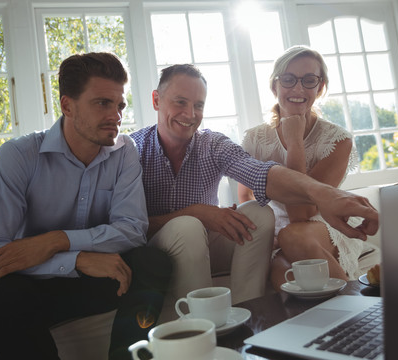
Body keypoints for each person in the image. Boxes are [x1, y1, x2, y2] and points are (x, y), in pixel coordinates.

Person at [0, 52, 171, 360]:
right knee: (0, 296)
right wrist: (76, 259)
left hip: (96, 281)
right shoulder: (19, 156)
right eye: (102, 103)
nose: (116, 116)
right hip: (32, 286)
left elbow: (133, 229)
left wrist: (57, 241)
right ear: (67, 105)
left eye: (119, 104)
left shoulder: (124, 152)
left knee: (152, 261)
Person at [130, 64, 379, 307]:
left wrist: (324, 194)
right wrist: (197, 212)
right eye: (180, 102)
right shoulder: (132, 151)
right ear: (156, 100)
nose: (190, 114)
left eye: (198, 105)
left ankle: (249, 312)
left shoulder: (212, 144)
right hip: (159, 244)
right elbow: (128, 226)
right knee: (188, 226)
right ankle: (204, 323)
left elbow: (263, 174)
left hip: (205, 241)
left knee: (258, 213)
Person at [238, 45, 379, 290]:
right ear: (275, 86)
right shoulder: (254, 139)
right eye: (289, 79)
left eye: (309, 80)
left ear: (320, 87)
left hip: (324, 222)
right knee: (282, 272)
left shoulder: (337, 140)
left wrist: (294, 142)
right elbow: (246, 196)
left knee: (294, 235)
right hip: (278, 228)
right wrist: (266, 232)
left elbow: (302, 213)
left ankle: (357, 311)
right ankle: (323, 326)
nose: (298, 89)